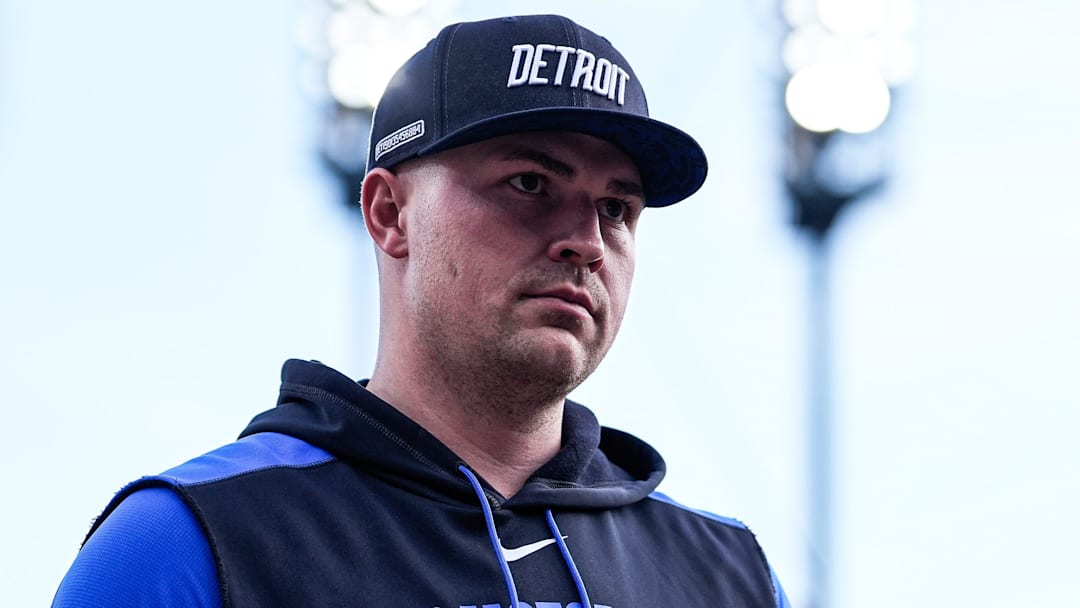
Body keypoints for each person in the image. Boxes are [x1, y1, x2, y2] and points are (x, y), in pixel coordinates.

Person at [52, 14, 789, 608]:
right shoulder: (193, 539)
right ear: (389, 212)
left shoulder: (730, 576)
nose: (587, 242)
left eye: (616, 208)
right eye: (530, 183)